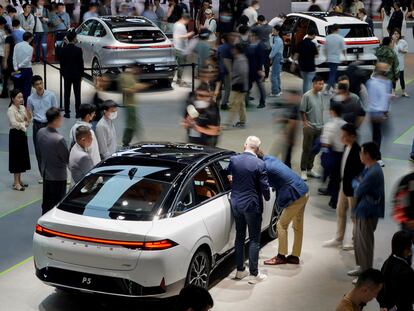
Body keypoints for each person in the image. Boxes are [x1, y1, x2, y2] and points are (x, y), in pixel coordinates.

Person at [228, 136, 270, 284]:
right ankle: (254, 274)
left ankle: (240, 271)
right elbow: (264, 186)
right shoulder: (260, 164)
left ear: (245, 144)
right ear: (257, 149)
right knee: (254, 239)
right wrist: (267, 196)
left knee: (239, 236)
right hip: (252, 205)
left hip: (236, 202)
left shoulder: (234, 159)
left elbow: (229, 175)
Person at [261, 153, 309, 266]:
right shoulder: (270, 158)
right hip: (304, 191)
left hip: (296, 196)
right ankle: (295, 256)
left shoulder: (265, 167)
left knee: (281, 225)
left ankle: (281, 256)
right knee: (298, 226)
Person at [323, 123, 365, 249]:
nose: (342, 137)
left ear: (352, 136)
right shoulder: (346, 147)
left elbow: (359, 173)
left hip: (352, 189)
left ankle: (355, 240)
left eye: (345, 135)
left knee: (354, 216)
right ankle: (339, 238)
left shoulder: (358, 151)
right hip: (343, 185)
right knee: (340, 211)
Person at [348, 142, 385, 277]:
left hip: (368, 212)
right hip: (362, 210)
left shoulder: (374, 172)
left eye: (361, 152)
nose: (360, 155)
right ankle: (361, 267)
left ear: (367, 154)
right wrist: (358, 183)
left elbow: (357, 189)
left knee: (365, 244)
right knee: (359, 241)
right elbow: (356, 183)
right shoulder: (369, 168)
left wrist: (358, 183)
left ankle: (366, 273)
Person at [37, 107, 69, 215]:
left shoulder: (40, 132)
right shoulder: (58, 139)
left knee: (46, 203)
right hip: (58, 177)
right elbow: (67, 158)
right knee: (56, 205)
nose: (62, 119)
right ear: (56, 119)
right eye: (60, 117)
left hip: (46, 173)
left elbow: (39, 153)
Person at [27, 75, 58, 182]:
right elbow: (29, 113)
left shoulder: (51, 95)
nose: (40, 86)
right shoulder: (30, 99)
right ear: (33, 86)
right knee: (39, 151)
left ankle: (56, 173)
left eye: (41, 83)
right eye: (37, 84)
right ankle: (43, 175)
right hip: (37, 125)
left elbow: (56, 110)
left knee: (53, 150)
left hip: (48, 125)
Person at [377, 231, 414, 311]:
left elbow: (380, 289)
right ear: (405, 249)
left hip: (386, 307)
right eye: (411, 244)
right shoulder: (406, 271)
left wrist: (383, 305)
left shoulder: (387, 262)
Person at [319, 103, 346, 208]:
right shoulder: (345, 124)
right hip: (343, 154)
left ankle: (334, 200)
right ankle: (334, 196)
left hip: (333, 153)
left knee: (334, 177)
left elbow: (326, 143)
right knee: (339, 178)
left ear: (333, 111)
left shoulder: (329, 126)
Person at [300, 75, 324, 181]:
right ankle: (303, 170)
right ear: (314, 84)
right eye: (319, 83)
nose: (321, 86)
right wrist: (305, 123)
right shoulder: (307, 96)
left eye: (322, 84)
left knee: (315, 149)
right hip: (310, 126)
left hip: (319, 127)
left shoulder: (320, 95)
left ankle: (310, 169)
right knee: (306, 149)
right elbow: (302, 110)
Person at [366, 62, 392, 162]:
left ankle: (375, 155)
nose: (385, 71)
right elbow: (372, 99)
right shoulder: (372, 83)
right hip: (376, 113)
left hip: (381, 112)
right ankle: (376, 157)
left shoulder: (386, 82)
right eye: (383, 69)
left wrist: (386, 111)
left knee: (378, 135)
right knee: (377, 136)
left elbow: (385, 97)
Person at [269, 90, 301, 168]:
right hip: (286, 136)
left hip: (287, 136)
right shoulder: (292, 105)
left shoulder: (295, 108)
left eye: (290, 96)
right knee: (285, 156)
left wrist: (289, 137)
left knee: (279, 155)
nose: (288, 97)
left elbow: (293, 123)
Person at [119, 63, 148, 147]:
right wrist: (135, 88)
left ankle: (127, 141)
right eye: (139, 70)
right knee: (132, 124)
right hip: (129, 104)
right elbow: (124, 90)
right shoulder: (125, 76)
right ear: (135, 68)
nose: (139, 72)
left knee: (132, 123)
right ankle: (127, 142)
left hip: (132, 104)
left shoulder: (133, 76)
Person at [8, 89, 31, 191]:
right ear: (13, 99)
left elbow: (28, 119)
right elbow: (14, 123)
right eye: (19, 97)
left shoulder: (22, 107)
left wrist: (26, 119)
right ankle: (16, 183)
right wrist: (23, 124)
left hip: (22, 134)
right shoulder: (10, 110)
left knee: (21, 158)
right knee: (16, 159)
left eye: (22, 97)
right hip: (15, 136)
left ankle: (19, 180)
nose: (21, 99)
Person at [223, 43, 249, 128]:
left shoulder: (241, 59)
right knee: (241, 104)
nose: (232, 50)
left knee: (233, 105)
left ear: (237, 50)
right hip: (240, 86)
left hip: (239, 86)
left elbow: (242, 73)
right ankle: (242, 122)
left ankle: (228, 124)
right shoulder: (240, 58)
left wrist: (235, 80)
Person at [60, 29, 84, 119]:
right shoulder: (78, 50)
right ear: (74, 39)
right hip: (77, 75)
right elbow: (81, 64)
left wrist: (63, 73)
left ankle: (67, 112)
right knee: (77, 94)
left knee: (67, 93)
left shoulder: (63, 50)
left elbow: (61, 64)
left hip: (67, 74)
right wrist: (82, 75)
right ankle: (78, 112)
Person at [292, 28, 319, 94]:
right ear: (313, 35)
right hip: (310, 66)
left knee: (305, 82)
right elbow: (316, 56)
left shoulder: (300, 43)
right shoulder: (313, 45)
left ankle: (305, 96)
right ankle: (308, 97)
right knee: (309, 82)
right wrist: (318, 49)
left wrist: (293, 63)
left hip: (302, 66)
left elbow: (296, 54)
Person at [245, 29, 267, 108]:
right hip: (249, 69)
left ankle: (262, 102)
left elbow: (262, 59)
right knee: (247, 86)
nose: (249, 36)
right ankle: (245, 101)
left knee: (260, 86)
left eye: (251, 35)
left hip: (257, 69)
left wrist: (261, 69)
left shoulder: (260, 45)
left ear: (255, 36)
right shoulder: (249, 44)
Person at [393, 167, 414, 240]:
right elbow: (399, 201)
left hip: (407, 223)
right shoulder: (407, 180)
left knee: (404, 247)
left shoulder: (406, 179)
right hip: (407, 224)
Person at [12, 31, 33, 106]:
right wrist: (20, 65)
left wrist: (15, 67)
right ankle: (24, 105)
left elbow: (14, 57)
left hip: (17, 71)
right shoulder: (30, 48)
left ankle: (16, 104)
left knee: (17, 87)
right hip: (27, 70)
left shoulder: (17, 45)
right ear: (30, 39)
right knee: (26, 89)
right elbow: (28, 59)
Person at [324, 24, 346, 93]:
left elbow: (325, 49)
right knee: (333, 74)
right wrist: (345, 57)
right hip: (336, 59)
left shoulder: (327, 37)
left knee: (332, 73)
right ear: (337, 29)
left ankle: (334, 88)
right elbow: (344, 49)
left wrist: (326, 57)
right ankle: (326, 89)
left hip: (329, 58)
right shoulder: (340, 38)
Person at [173, 13, 193, 87]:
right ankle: (179, 80)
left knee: (174, 65)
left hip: (175, 47)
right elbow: (183, 38)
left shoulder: (175, 24)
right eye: (188, 21)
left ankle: (172, 78)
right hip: (181, 49)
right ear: (186, 19)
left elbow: (175, 35)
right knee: (181, 65)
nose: (188, 23)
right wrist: (188, 35)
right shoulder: (182, 26)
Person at [251, 15, 273, 80]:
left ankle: (260, 76)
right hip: (268, 46)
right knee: (267, 63)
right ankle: (266, 76)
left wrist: (255, 23)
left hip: (260, 47)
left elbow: (250, 28)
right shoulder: (270, 27)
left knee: (259, 62)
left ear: (259, 21)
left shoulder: (258, 28)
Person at [217, 33, 234, 110]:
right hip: (228, 69)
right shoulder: (231, 47)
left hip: (220, 69)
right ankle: (224, 102)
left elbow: (217, 58)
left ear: (223, 40)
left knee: (219, 86)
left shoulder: (220, 47)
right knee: (228, 87)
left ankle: (217, 102)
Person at [392, 28, 409, 97]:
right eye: (395, 33)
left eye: (397, 34)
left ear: (400, 34)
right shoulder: (391, 42)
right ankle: (393, 92)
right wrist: (394, 42)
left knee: (401, 77)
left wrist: (401, 50)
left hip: (401, 61)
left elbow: (406, 50)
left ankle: (403, 92)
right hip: (394, 62)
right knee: (394, 78)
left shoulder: (403, 42)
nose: (396, 35)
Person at [268, 25, 283, 99]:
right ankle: (278, 90)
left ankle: (275, 91)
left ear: (278, 31)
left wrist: (270, 56)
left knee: (273, 76)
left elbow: (274, 50)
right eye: (272, 30)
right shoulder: (276, 38)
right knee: (276, 75)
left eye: (274, 30)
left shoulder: (278, 40)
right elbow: (272, 47)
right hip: (277, 57)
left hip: (277, 57)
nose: (272, 31)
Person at [1, 25, 15, 98]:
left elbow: (7, 50)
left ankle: (5, 93)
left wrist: (5, 61)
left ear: (5, 30)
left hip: (9, 60)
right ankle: (14, 92)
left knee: (6, 77)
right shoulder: (12, 37)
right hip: (12, 60)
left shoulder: (8, 38)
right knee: (13, 76)